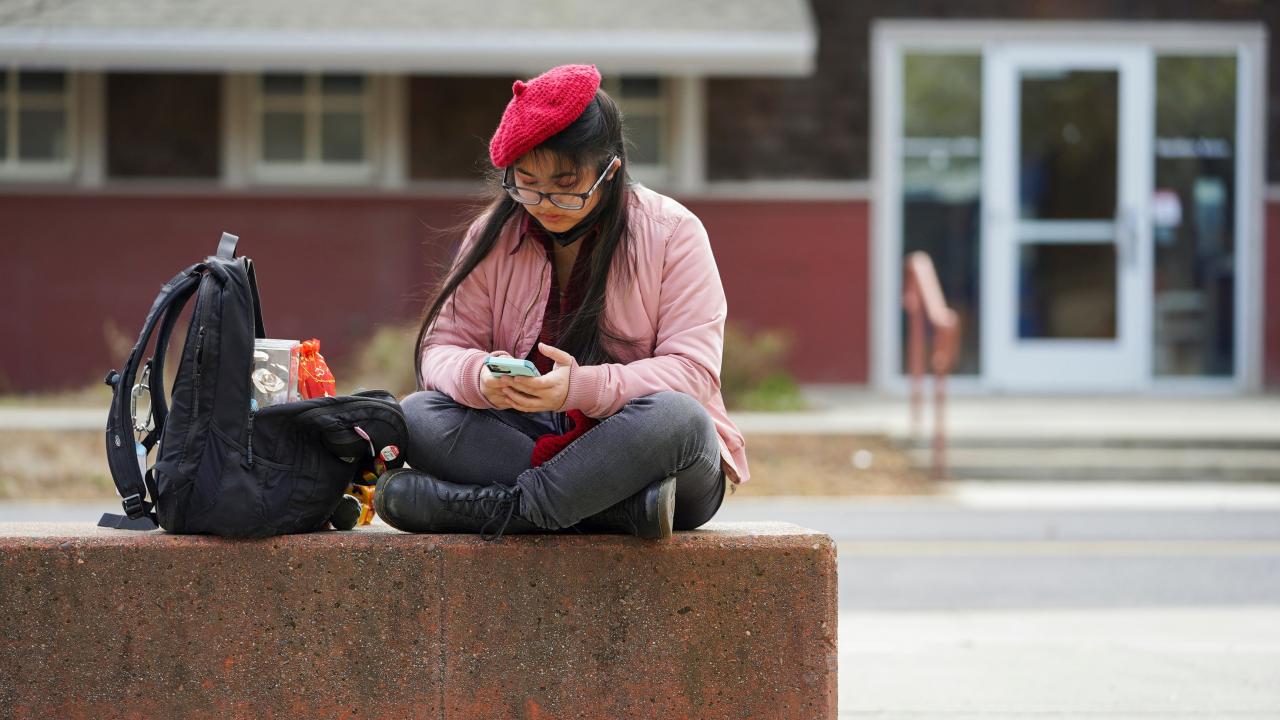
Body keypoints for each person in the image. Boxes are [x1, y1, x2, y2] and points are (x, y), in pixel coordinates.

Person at [374, 64, 749, 541]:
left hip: (643, 454)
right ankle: (618, 513)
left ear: (609, 171)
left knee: (680, 420)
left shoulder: (673, 232)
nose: (544, 201)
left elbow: (692, 374)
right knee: (417, 414)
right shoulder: (493, 234)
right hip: (532, 440)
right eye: (526, 182)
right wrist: (479, 377)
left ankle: (501, 509)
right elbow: (440, 349)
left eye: (567, 185)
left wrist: (581, 389)